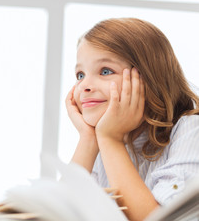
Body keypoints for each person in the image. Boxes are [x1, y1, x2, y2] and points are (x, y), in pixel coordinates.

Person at [65, 17, 199, 221]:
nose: (84, 86)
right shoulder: (102, 142)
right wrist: (88, 138)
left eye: (105, 71)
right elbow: (56, 213)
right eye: (80, 75)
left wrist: (111, 140)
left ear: (147, 79)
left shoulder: (191, 130)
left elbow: (162, 218)